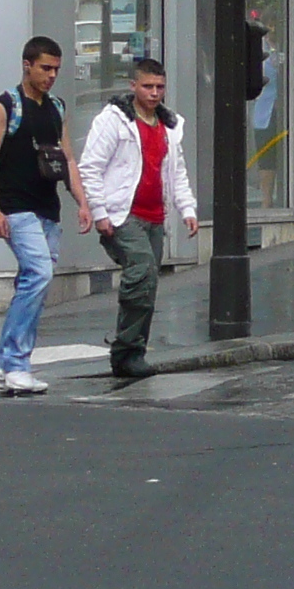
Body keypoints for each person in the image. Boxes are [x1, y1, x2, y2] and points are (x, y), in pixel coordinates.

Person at [0, 35, 90, 397]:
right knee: (38, 274)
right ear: (27, 65)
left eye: (56, 69)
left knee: (34, 283)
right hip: (16, 207)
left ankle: (8, 367)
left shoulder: (56, 107)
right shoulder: (5, 106)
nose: (51, 75)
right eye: (45, 68)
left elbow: (67, 158)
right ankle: (14, 363)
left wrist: (82, 202)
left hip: (47, 209)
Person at [74, 56, 197, 379]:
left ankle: (133, 351)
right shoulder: (114, 120)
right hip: (122, 213)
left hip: (155, 216)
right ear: (133, 86)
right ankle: (125, 350)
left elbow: (176, 172)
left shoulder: (170, 126)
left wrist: (187, 209)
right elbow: (90, 166)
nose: (154, 93)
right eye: (148, 86)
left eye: (160, 87)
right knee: (141, 271)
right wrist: (100, 212)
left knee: (148, 283)